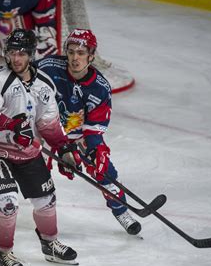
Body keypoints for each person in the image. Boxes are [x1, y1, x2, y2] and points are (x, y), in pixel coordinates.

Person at [0, 28, 82, 266]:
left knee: (46, 201)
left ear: (31, 54)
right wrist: (11, 126)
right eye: (11, 53)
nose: (16, 58)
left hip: (26, 152)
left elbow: (48, 124)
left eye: (21, 53)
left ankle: (50, 244)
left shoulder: (44, 85)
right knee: (7, 205)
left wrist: (64, 148)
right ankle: (5, 254)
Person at [34, 28, 142, 236]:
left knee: (105, 170)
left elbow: (93, 131)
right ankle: (43, 217)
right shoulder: (47, 67)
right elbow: (22, 85)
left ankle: (122, 212)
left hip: (78, 136)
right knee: (35, 173)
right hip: (46, 131)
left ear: (91, 56)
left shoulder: (100, 88)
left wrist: (94, 151)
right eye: (72, 52)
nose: (75, 58)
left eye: (81, 53)